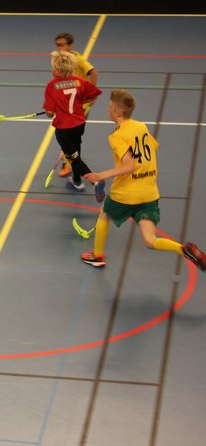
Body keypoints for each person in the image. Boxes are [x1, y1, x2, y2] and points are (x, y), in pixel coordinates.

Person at [80, 89, 205, 271]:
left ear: (118, 113)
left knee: (105, 213)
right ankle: (184, 249)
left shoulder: (116, 136)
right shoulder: (141, 127)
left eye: (110, 107)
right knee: (150, 240)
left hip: (126, 193)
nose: (108, 110)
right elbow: (153, 147)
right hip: (149, 192)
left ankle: (97, 255)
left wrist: (101, 176)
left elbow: (130, 165)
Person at [43, 50, 105, 202]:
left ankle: (96, 181)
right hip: (79, 124)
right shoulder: (80, 81)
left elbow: (50, 113)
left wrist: (52, 109)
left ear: (57, 70)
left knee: (74, 159)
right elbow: (93, 95)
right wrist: (81, 101)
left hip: (63, 129)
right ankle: (77, 181)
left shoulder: (51, 86)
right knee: (75, 152)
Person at [54, 32, 99, 178]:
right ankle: (69, 160)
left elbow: (93, 72)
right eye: (57, 45)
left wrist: (91, 96)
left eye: (62, 45)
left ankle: (70, 166)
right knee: (67, 136)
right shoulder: (59, 59)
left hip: (80, 107)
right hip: (67, 105)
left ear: (70, 46)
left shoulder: (77, 59)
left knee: (70, 137)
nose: (59, 48)